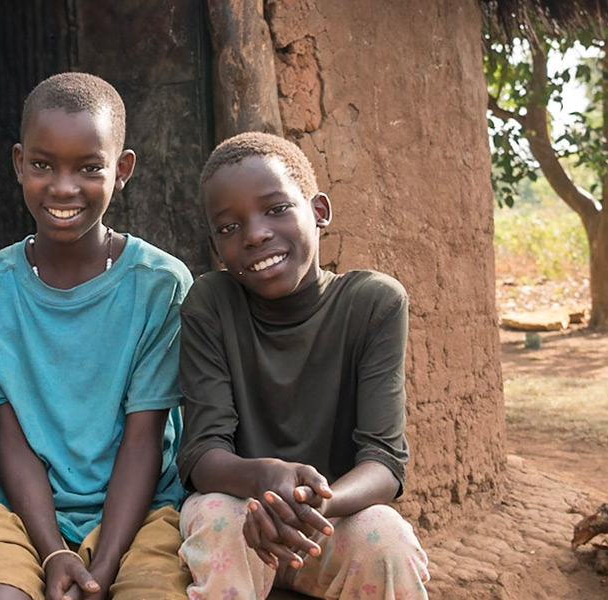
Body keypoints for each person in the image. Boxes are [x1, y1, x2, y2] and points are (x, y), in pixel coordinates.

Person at [0, 72, 191, 600]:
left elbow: (144, 439)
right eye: (42, 165)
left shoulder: (160, 285)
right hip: (21, 515)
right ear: (19, 163)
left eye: (89, 168)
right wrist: (54, 552)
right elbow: (8, 440)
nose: (63, 188)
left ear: (122, 169)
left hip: (148, 513)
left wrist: (103, 567)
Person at [175, 132, 429, 600]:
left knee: (386, 536)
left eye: (276, 209)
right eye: (229, 228)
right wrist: (266, 480)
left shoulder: (372, 304)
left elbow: (384, 462)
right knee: (216, 517)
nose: (255, 234)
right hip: (239, 514)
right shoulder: (211, 304)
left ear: (320, 211)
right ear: (215, 245)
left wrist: (311, 507)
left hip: (330, 521)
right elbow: (201, 455)